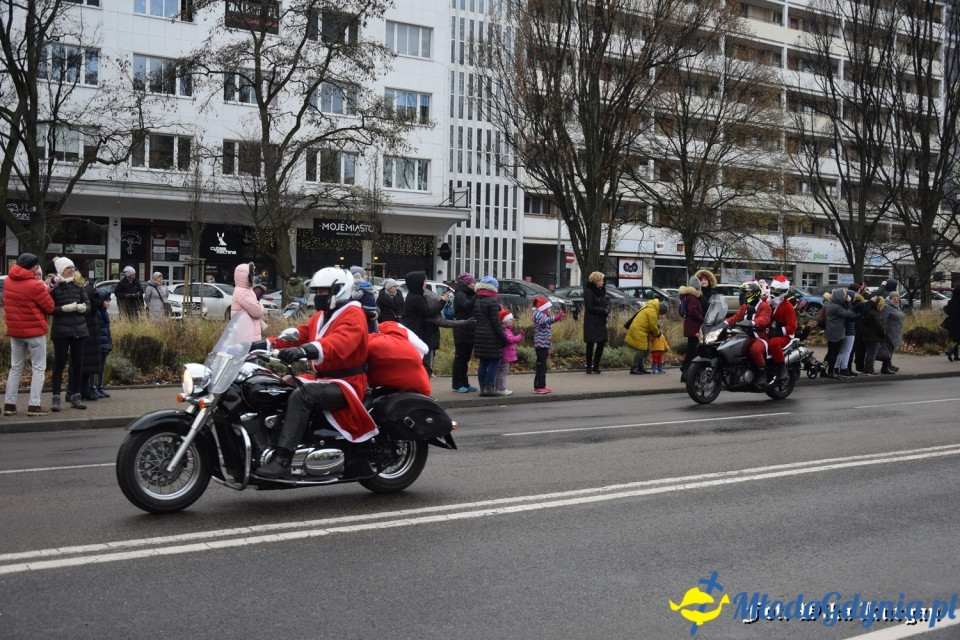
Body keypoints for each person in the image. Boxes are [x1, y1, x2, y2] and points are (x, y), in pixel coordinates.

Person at [255, 268, 376, 479]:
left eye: (323, 292)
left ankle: (283, 459)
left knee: (303, 396)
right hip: (324, 379)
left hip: (346, 382)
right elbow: (302, 333)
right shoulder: (323, 315)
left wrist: (305, 350)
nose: (319, 296)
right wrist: (265, 343)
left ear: (338, 291)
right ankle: (274, 441)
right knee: (274, 386)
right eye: (317, 291)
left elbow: (340, 342)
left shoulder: (354, 314)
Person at [3, 253, 56, 417]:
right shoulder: (35, 285)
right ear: (31, 266)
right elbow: (50, 307)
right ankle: (34, 405)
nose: (37, 267)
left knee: (15, 368)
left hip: (15, 331)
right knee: (39, 368)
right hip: (34, 332)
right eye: (36, 265)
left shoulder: (8, 281)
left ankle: (9, 404)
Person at [48, 257, 90, 411]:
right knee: (59, 364)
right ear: (61, 270)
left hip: (79, 330)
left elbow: (88, 305)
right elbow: (49, 308)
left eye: (73, 267)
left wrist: (83, 308)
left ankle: (76, 396)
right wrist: (63, 309)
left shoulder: (79, 286)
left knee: (77, 364)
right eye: (68, 268)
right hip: (61, 331)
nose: (72, 270)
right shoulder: (54, 287)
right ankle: (56, 397)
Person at [402, 270, 450, 377]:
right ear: (417, 283)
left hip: (419, 334)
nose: (425, 283)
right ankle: (423, 390)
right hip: (420, 335)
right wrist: (443, 301)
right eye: (424, 281)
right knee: (425, 367)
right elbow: (431, 313)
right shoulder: (416, 298)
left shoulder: (415, 296)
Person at [724, 280, 772, 385]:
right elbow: (735, 317)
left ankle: (762, 373)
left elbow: (765, 319)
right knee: (731, 346)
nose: (746, 295)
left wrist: (753, 323)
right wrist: (724, 323)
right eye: (745, 293)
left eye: (748, 293)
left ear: (755, 293)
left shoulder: (764, 306)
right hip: (745, 336)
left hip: (760, 337)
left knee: (755, 350)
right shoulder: (745, 307)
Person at [472, 275, 507, 397]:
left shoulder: (477, 299)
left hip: (479, 334)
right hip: (491, 335)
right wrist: (503, 337)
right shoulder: (492, 301)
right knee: (495, 360)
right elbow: (495, 322)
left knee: (483, 362)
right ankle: (489, 387)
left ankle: (482, 388)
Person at [766, 275, 798, 385]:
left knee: (774, 343)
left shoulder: (787, 307)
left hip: (784, 335)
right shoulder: (766, 301)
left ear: (783, 291)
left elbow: (792, 326)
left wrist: (779, 331)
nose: (774, 292)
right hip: (768, 331)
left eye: (777, 290)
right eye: (773, 289)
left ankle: (781, 368)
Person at [532, 295, 565, 394]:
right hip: (540, 345)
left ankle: (542, 385)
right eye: (548, 308)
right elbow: (545, 321)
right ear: (543, 308)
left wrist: (548, 347)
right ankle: (539, 386)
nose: (549, 309)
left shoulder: (543, 315)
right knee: (541, 366)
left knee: (543, 366)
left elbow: (547, 322)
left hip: (544, 345)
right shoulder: (538, 315)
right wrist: (556, 318)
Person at [451, 272, 478, 393]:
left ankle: (465, 382)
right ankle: (457, 384)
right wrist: (476, 296)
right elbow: (466, 305)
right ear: (467, 283)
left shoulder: (468, 293)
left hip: (469, 329)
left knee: (466, 358)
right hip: (461, 329)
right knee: (460, 357)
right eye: (472, 282)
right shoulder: (460, 294)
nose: (474, 284)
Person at [823, 287, 856, 379]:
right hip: (836, 332)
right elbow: (850, 314)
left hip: (831, 331)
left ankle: (823, 370)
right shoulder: (836, 307)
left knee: (830, 353)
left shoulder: (831, 304)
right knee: (834, 353)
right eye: (844, 296)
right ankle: (831, 371)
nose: (845, 297)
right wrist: (849, 302)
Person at [79, 283, 104, 401]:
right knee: (83, 366)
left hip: (91, 334)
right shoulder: (88, 303)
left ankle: (86, 389)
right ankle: (81, 390)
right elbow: (97, 303)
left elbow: (99, 303)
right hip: (87, 334)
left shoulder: (93, 304)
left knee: (87, 366)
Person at [625, 299, 664, 375]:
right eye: (661, 313)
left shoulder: (649, 307)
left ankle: (640, 368)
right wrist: (658, 333)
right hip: (639, 330)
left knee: (642, 349)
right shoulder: (652, 311)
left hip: (638, 329)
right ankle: (633, 368)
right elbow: (652, 326)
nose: (660, 315)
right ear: (660, 310)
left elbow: (650, 322)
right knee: (641, 349)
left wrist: (656, 326)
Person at [582, 271, 610, 374]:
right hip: (591, 321)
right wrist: (602, 310)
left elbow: (605, 303)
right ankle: (589, 366)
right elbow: (589, 306)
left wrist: (607, 308)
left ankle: (596, 366)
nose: (603, 282)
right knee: (590, 344)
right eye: (602, 280)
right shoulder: (589, 292)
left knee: (601, 343)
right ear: (596, 281)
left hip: (600, 321)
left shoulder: (602, 291)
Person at [231, 262, 266, 342]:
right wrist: (260, 305)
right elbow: (257, 312)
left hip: (244, 330)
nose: (253, 277)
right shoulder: (244, 293)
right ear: (247, 277)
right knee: (251, 353)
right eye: (252, 275)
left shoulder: (240, 290)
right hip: (248, 334)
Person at [678, 276, 704, 383]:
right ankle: (687, 373)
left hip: (690, 326)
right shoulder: (693, 297)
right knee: (692, 351)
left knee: (690, 350)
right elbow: (693, 311)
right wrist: (703, 319)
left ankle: (685, 371)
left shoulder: (687, 296)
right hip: (694, 327)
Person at [495, 309, 523, 396]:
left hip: (505, 354)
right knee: (503, 372)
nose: (511, 321)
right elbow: (510, 340)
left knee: (500, 371)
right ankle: (501, 388)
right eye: (509, 320)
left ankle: (498, 387)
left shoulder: (506, 329)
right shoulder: (506, 330)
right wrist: (520, 336)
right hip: (506, 354)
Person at [94, 289, 114, 397]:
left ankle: (100, 386)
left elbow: (107, 330)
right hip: (99, 344)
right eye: (106, 301)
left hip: (105, 344)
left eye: (109, 301)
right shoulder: (98, 313)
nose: (109, 303)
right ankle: (95, 386)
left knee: (101, 366)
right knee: (97, 367)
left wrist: (109, 343)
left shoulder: (104, 313)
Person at [878, 290, 904, 375]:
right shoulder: (886, 307)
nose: (896, 300)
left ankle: (888, 366)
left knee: (891, 349)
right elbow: (883, 320)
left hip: (896, 332)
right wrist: (884, 332)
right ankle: (885, 367)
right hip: (889, 332)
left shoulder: (897, 306)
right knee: (888, 350)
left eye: (897, 298)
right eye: (894, 298)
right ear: (890, 299)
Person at [861, 296, 885, 376]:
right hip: (874, 336)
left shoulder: (868, 312)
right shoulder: (876, 314)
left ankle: (866, 368)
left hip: (867, 335)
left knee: (868, 353)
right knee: (872, 353)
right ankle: (870, 370)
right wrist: (883, 334)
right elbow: (879, 326)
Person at [944, 285, 960, 362]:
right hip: (958, 322)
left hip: (951, 322)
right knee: (958, 339)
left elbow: (947, 310)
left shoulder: (950, 301)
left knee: (955, 339)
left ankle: (956, 356)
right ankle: (950, 350)